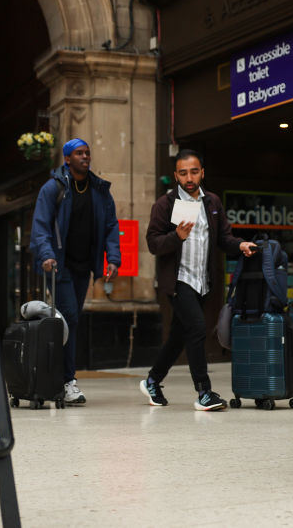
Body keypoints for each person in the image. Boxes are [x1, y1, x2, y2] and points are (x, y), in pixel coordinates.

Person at [140, 149, 256, 411]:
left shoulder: (212, 203)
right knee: (196, 328)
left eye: (194, 171)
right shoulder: (165, 204)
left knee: (179, 336)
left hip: (203, 282)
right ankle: (204, 392)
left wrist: (240, 245)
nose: (189, 177)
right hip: (179, 280)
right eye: (183, 173)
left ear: (202, 172)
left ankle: (153, 380)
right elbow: (153, 244)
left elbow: (224, 238)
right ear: (176, 176)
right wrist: (176, 237)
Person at [30, 137, 120, 405]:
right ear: (67, 159)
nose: (85, 157)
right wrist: (46, 255)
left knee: (70, 320)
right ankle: (68, 380)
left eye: (87, 153)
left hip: (83, 267)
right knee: (69, 316)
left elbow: (111, 227)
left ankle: (56, 375)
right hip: (58, 266)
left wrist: (112, 258)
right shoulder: (52, 188)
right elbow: (40, 226)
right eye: (79, 153)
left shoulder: (99, 191)